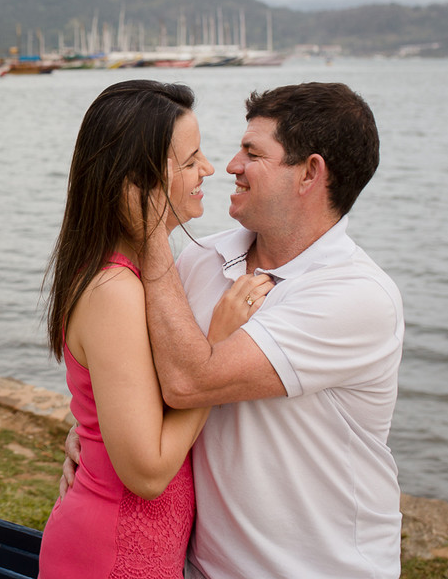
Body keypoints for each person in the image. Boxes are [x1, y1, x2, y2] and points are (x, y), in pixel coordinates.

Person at [62, 81, 405, 578]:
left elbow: (190, 381)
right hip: (200, 567)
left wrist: (152, 229)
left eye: (252, 152)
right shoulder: (200, 260)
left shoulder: (356, 297)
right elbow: (137, 374)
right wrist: (94, 430)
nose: (228, 166)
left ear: (310, 173)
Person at [38, 80, 273, 578]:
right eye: (190, 162)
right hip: (114, 550)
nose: (209, 168)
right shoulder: (114, 290)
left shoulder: (140, 274)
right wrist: (217, 351)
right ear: (137, 181)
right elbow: (147, 471)